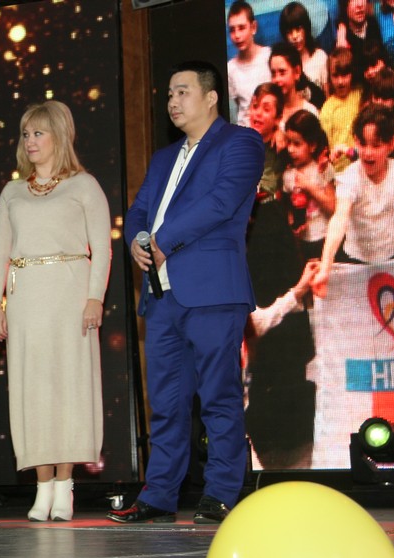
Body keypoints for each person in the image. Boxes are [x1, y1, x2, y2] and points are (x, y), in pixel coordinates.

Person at [108, 61, 264, 524]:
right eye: (170, 93)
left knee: (219, 396)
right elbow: (139, 210)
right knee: (167, 404)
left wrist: (162, 240)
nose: (172, 101)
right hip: (162, 295)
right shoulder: (163, 158)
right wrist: (136, 241)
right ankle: (159, 495)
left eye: (182, 91)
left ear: (211, 97)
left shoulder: (240, 142)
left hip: (213, 291)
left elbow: (221, 202)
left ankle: (221, 492)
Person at [0, 100, 111, 522]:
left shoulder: (84, 185)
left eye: (38, 132)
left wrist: (95, 297)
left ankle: (64, 485)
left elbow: (102, 248)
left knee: (68, 387)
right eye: (26, 134)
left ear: (59, 135)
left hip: (70, 296)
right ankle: (42, 487)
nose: (30, 141)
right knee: (33, 390)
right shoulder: (12, 191)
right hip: (25, 299)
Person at [313, 104, 394, 297]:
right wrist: (325, 268)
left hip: (392, 256)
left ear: (391, 144)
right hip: (356, 259)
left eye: (376, 145)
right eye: (363, 144)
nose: (368, 152)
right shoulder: (350, 177)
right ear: (355, 141)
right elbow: (339, 219)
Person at [282, 110, 336, 260]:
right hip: (304, 241)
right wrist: (293, 224)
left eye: (297, 144)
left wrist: (309, 187)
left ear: (312, 145)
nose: (290, 149)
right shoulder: (288, 175)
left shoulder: (323, 168)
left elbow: (332, 207)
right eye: (288, 142)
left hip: (325, 236)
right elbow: (289, 208)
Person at [227, 0, 273, 127]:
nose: (237, 35)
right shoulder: (230, 68)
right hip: (245, 132)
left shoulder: (269, 56)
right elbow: (237, 107)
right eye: (232, 30)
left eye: (242, 28)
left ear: (253, 27)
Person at [320, 47, 363, 173]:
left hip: (363, 163)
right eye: (335, 76)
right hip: (341, 171)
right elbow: (326, 147)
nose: (340, 81)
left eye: (345, 75)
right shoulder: (327, 109)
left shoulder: (361, 95)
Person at [269, 42, 322, 128]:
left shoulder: (309, 111)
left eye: (282, 72)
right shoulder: (269, 112)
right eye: (273, 74)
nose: (277, 79)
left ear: (297, 72)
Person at [279, 1, 329, 91]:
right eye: (289, 32)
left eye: (298, 29)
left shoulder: (320, 57)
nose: (295, 36)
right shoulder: (283, 64)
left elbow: (327, 94)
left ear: (306, 28)